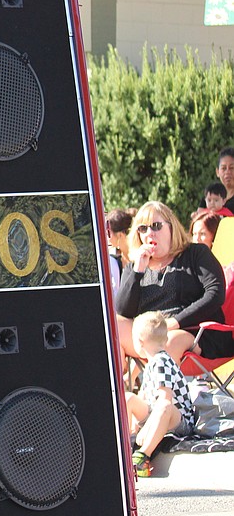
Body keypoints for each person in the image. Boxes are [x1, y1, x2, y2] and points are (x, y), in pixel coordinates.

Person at [115, 201, 234, 363]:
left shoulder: (196, 254)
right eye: (143, 229)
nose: (150, 233)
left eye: (156, 226)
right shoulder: (135, 267)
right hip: (151, 335)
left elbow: (215, 294)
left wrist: (175, 322)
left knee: (168, 341)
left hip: (194, 332)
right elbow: (123, 312)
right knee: (113, 326)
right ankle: (116, 386)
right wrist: (137, 272)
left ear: (172, 227)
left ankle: (161, 389)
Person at [126, 311, 195, 477]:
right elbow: (144, 398)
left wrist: (146, 429)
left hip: (178, 421)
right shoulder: (150, 364)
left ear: (140, 342)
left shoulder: (162, 362)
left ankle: (143, 456)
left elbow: (165, 400)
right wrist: (136, 427)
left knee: (165, 405)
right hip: (156, 416)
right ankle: (127, 444)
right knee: (129, 398)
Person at [105, 208, 133, 295]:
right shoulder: (115, 260)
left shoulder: (140, 255)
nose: (107, 237)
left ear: (120, 235)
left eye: (109, 233)